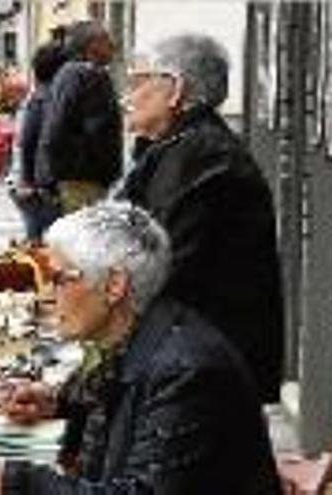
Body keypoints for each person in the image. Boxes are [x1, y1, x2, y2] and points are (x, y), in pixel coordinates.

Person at [0, 201, 281, 494]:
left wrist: (11, 482)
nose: (47, 296)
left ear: (114, 286)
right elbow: (119, 407)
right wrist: (57, 402)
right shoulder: (141, 338)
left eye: (60, 279)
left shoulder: (185, 371)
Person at [116, 33, 284, 403]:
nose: (125, 96)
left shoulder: (200, 155)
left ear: (174, 90)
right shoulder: (179, 147)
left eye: (138, 80)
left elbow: (154, 270)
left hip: (202, 372)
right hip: (190, 358)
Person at [36, 21, 123, 214]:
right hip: (85, 179)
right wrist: (112, 173)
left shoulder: (66, 73)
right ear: (92, 45)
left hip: (68, 176)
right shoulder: (92, 75)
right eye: (107, 40)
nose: (113, 44)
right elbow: (99, 133)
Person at [8, 42, 67, 242]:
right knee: (43, 244)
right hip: (35, 189)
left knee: (39, 240)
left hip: (28, 184)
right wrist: (28, 181)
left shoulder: (40, 95)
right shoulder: (45, 98)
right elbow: (28, 142)